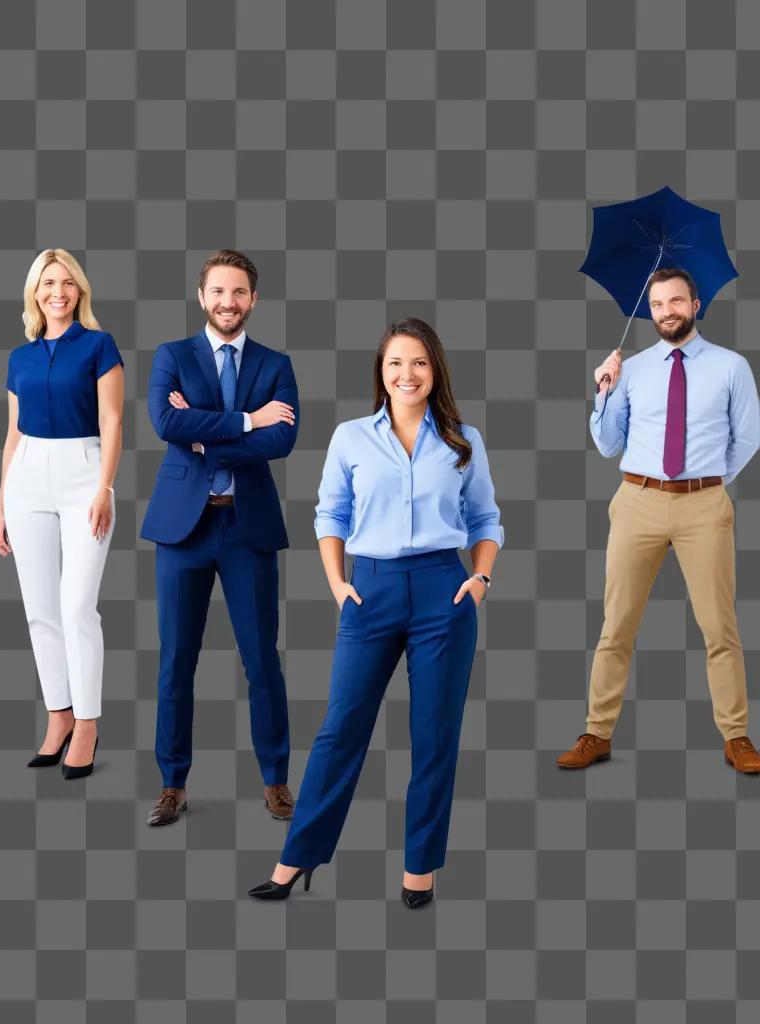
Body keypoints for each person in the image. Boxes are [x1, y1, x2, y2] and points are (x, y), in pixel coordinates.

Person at [249, 317, 502, 907]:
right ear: (380, 373)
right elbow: (330, 515)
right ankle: (296, 858)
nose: (406, 374)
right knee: (341, 730)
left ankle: (421, 868)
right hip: (371, 590)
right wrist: (337, 583)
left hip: (445, 589)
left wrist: (481, 578)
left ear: (434, 370)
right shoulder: (351, 437)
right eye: (394, 363)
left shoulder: (463, 439)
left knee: (434, 736)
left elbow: (485, 520)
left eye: (418, 362)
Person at [558, 267, 760, 772]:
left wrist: (705, 481)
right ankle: (596, 733)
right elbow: (607, 445)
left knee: (720, 628)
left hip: (705, 506)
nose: (666, 311)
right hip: (637, 501)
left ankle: (736, 736)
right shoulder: (631, 367)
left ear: (696, 305)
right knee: (616, 626)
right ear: (650, 312)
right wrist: (603, 392)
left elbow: (747, 438)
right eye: (658, 305)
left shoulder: (731, 367)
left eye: (676, 301)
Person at [140, 249, 299, 826]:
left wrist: (205, 436)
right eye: (218, 292)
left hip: (247, 526)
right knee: (176, 661)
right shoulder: (172, 356)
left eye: (239, 293)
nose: (228, 303)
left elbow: (282, 441)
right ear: (201, 296)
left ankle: (276, 780)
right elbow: (166, 423)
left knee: (262, 661)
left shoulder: (276, 363)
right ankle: (172, 783)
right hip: (183, 528)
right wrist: (247, 420)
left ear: (253, 299)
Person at [0, 249, 123, 778]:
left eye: (67, 283)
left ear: (80, 291)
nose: (58, 292)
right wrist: (1, 504)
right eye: (48, 284)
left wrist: (105, 487)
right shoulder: (19, 357)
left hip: (82, 473)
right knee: (39, 609)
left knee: (76, 607)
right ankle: (59, 715)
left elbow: (112, 420)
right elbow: (12, 434)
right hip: (27, 477)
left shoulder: (98, 345)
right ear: (35, 293)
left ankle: (88, 722)